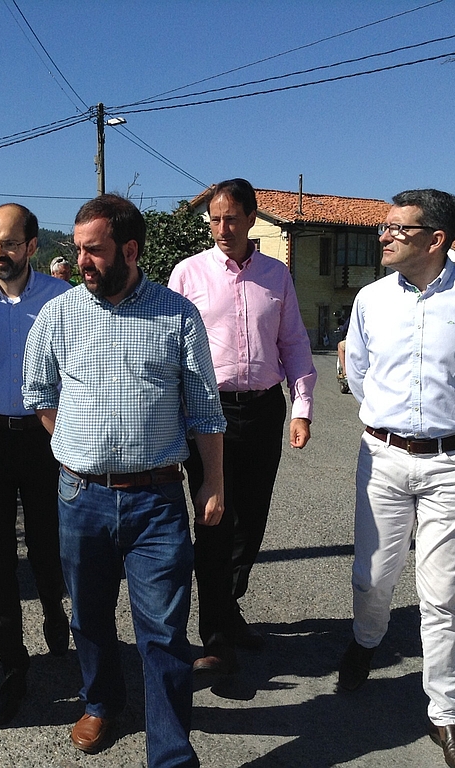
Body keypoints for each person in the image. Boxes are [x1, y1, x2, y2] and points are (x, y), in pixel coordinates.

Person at [23, 194, 226, 767]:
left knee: (162, 631)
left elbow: (204, 408)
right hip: (80, 494)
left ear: (129, 250)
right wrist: (78, 448)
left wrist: (212, 481)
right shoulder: (59, 316)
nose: (80, 261)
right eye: (77, 249)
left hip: (157, 499)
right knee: (88, 616)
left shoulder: (177, 314)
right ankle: (101, 702)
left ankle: (170, 752)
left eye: (93, 250)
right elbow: (37, 393)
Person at [339, 189, 455, 768]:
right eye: (383, 227)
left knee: (442, 596)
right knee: (375, 575)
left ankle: (448, 716)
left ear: (435, 240)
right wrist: (393, 427)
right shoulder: (370, 299)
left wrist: (451, 430)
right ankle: (365, 642)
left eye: (396, 229)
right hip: (383, 457)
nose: (382, 237)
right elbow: (359, 374)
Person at [168, 178, 316, 674]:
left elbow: (294, 343)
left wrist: (301, 408)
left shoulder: (277, 275)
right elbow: (166, 348)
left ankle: (229, 612)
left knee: (250, 521)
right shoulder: (188, 274)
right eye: (214, 219)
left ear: (252, 217)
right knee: (214, 518)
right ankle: (213, 634)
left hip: (264, 410)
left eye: (231, 218)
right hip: (208, 413)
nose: (221, 228)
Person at [0, 203, 71, 726]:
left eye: (7, 243)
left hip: (44, 439)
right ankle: (12, 670)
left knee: (49, 544)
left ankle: (55, 614)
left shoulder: (62, 300)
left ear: (31, 247)